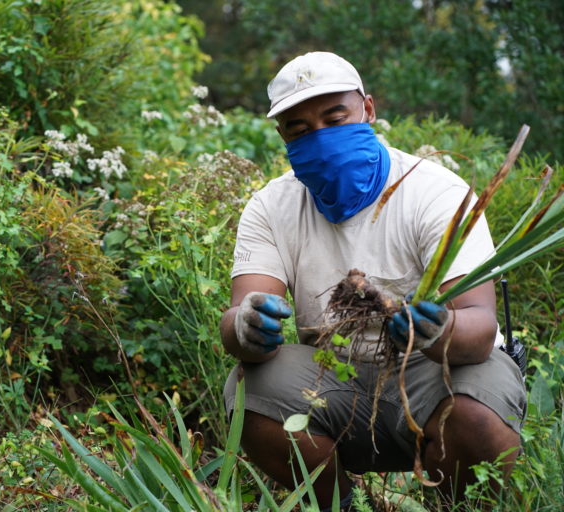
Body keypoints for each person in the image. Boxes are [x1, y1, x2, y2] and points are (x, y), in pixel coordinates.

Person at [220, 51, 527, 510]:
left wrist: (438, 330)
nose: (321, 137)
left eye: (334, 116)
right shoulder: (272, 207)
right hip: (334, 379)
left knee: (477, 415)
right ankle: (342, 503)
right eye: (300, 129)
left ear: (368, 108)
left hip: (433, 371)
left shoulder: (435, 193)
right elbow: (240, 316)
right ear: (281, 134)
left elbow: (480, 326)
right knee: (252, 389)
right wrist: (245, 326)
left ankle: (455, 503)